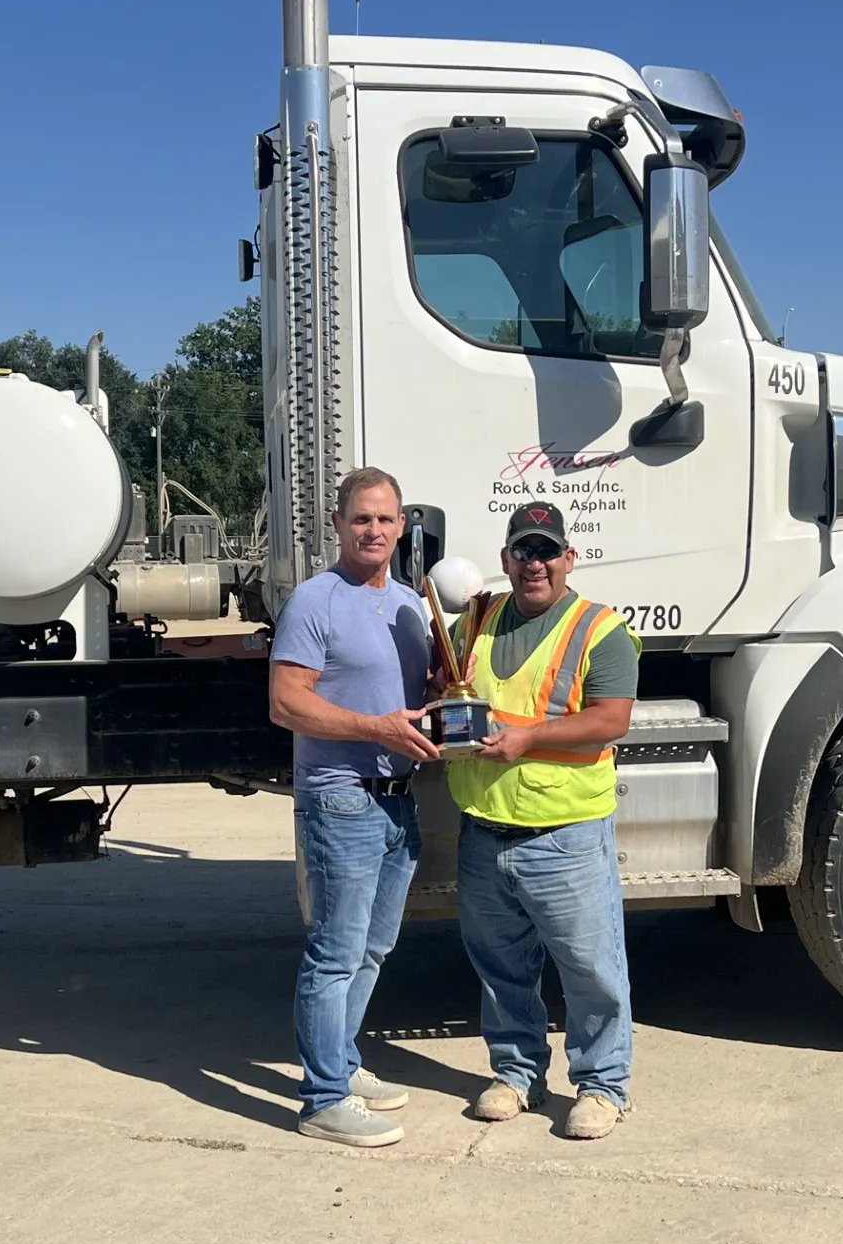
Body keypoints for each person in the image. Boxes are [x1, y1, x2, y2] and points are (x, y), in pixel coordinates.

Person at [448, 501, 640, 1140]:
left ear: (568, 559)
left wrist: (527, 738)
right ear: (506, 560)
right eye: (524, 551)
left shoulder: (599, 630)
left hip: (565, 835)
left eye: (547, 551)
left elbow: (612, 719)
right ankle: (517, 1074)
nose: (536, 563)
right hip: (484, 828)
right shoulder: (475, 620)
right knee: (501, 968)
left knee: (590, 970)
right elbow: (449, 688)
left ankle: (603, 1086)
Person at [269, 467, 438, 1148]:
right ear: (337, 524)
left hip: (397, 801)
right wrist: (377, 730)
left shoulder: (408, 604)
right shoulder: (316, 601)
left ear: (402, 528)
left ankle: (340, 1062)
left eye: (385, 519)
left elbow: (418, 692)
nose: (374, 530)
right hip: (341, 799)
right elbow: (286, 703)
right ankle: (322, 1101)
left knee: (372, 949)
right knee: (335, 955)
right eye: (361, 518)